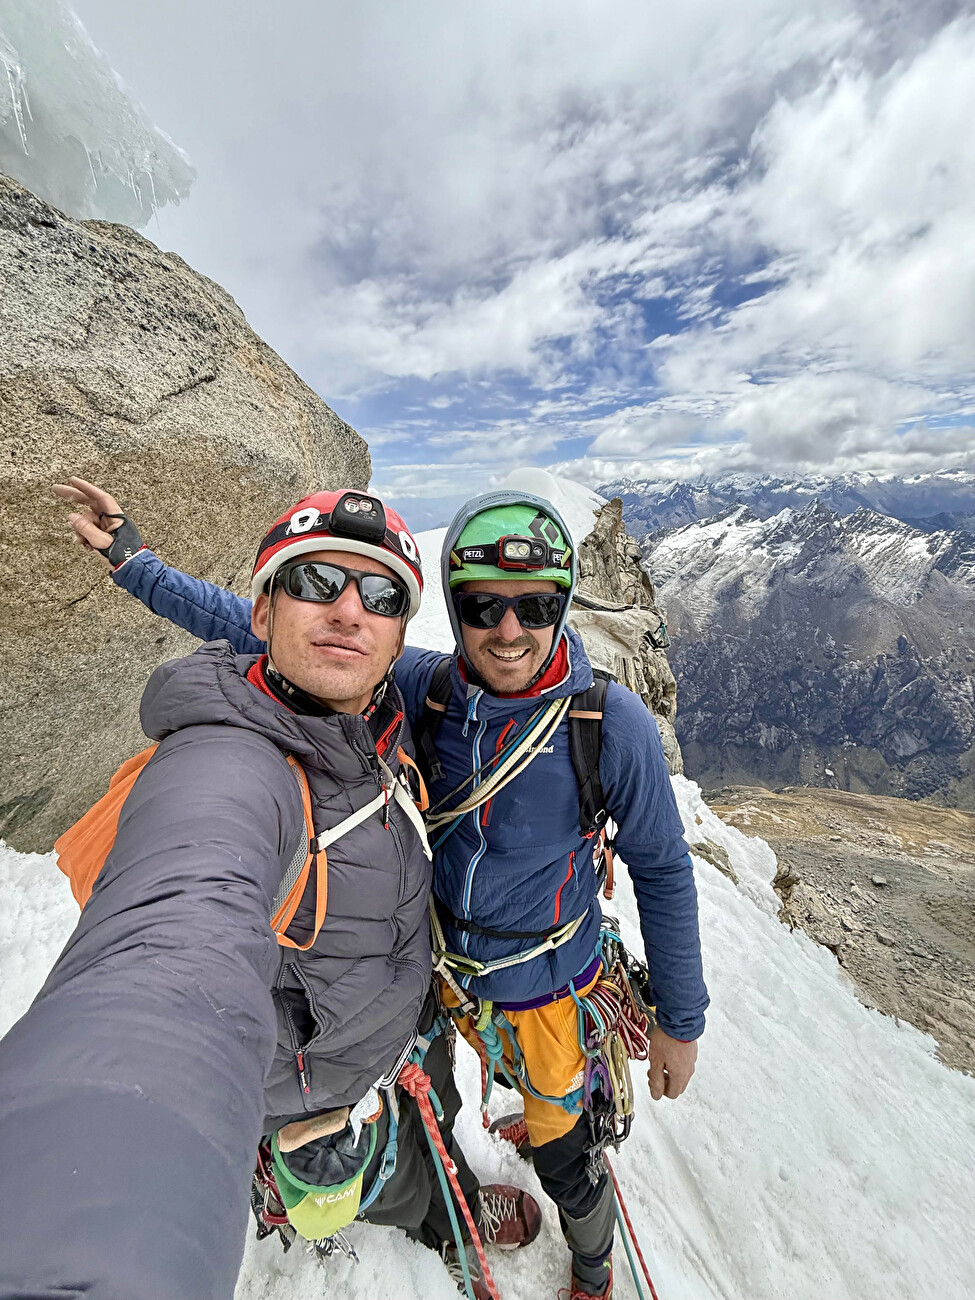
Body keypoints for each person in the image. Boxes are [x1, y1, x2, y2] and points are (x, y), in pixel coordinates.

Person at [52, 477, 710, 1300]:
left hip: (546, 991)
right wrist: (135, 561)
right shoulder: (424, 690)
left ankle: (591, 1261)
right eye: (483, 608)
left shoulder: (607, 727)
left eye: (534, 607)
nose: (508, 632)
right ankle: (500, 1159)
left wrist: (680, 1022)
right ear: (457, 612)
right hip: (445, 977)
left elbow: (661, 870)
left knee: (564, 1151)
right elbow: (258, 628)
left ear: (563, 606)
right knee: (483, 1092)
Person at [0, 486, 539, 1300]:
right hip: (317, 1083)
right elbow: (171, 952)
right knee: (377, 1179)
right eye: (316, 582)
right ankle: (440, 1222)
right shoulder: (229, 766)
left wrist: (135, 562)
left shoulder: (381, 712)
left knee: (431, 1129)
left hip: (396, 1024)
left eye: (380, 594)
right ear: (263, 617)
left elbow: (215, 606)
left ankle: (439, 1195)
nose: (348, 610)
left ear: (398, 638)